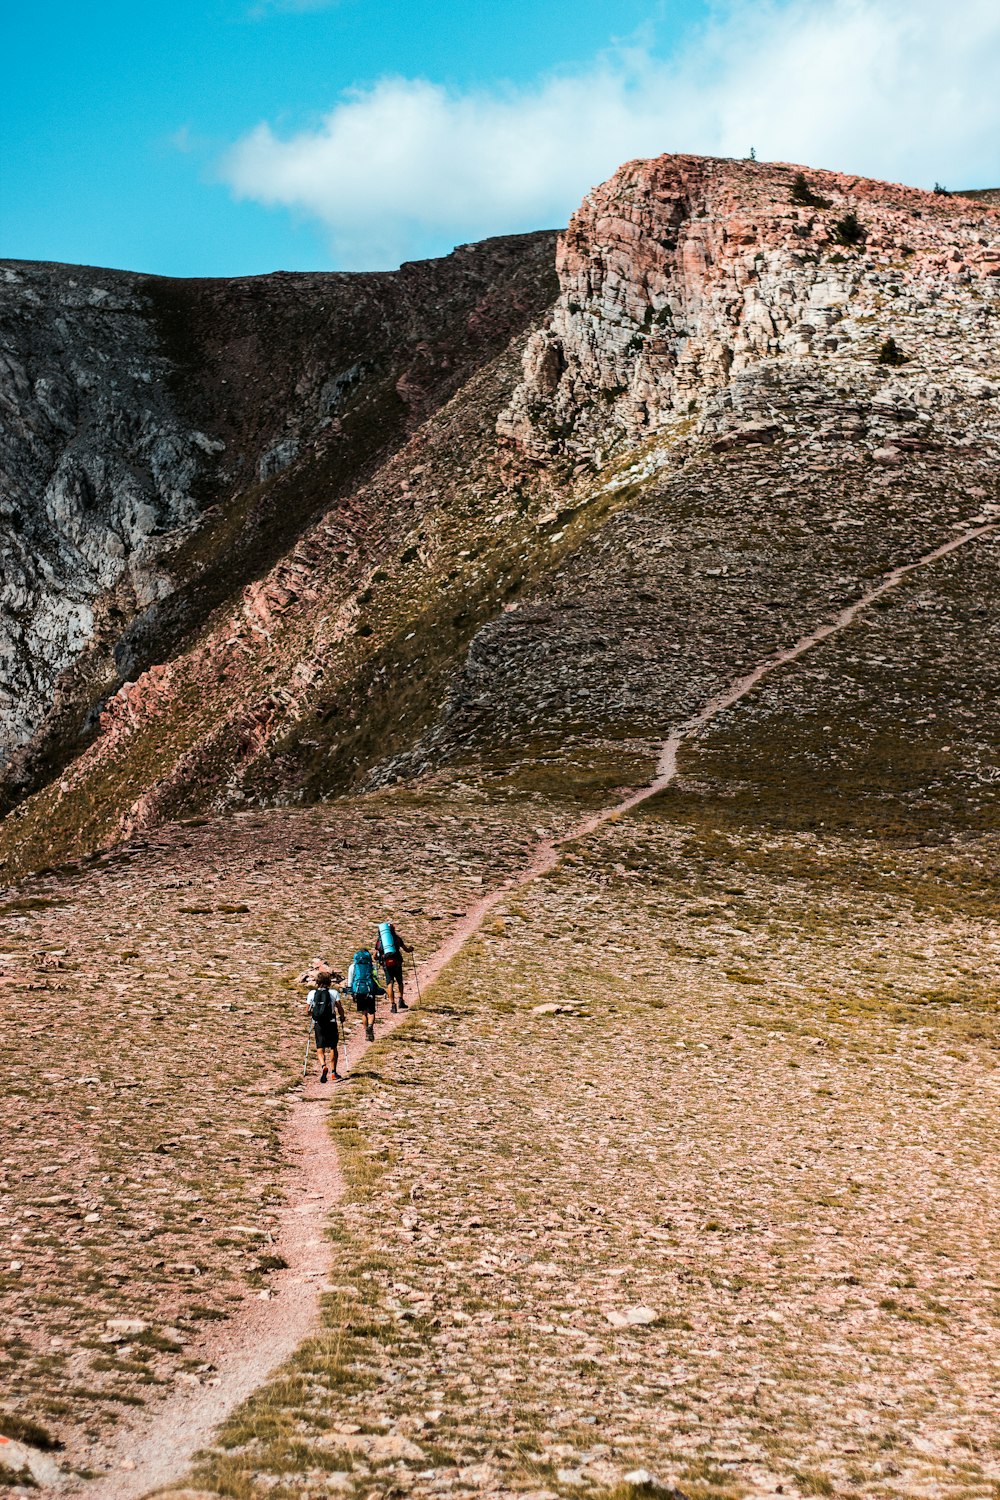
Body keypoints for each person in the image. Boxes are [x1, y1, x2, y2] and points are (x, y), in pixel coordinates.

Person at [306, 970, 347, 1083]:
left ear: (317, 982)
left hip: (318, 1023)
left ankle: (323, 1065)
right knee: (333, 1047)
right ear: (329, 982)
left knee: (320, 1047)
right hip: (331, 1022)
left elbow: (307, 1011)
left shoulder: (312, 994)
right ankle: (333, 1073)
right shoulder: (333, 993)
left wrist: (314, 1014)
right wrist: (342, 1017)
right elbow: (339, 1008)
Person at [375, 921, 414, 1013]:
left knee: (390, 983)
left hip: (386, 965)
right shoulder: (397, 939)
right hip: (397, 964)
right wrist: (411, 949)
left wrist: (378, 959)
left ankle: (393, 1005)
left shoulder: (380, 941)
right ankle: (401, 1000)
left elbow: (374, 955)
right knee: (400, 981)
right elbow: (406, 950)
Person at [347, 947, 384, 1042]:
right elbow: (376, 979)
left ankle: (366, 1032)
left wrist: (351, 992)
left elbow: (350, 981)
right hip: (369, 990)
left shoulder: (353, 966)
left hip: (358, 991)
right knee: (371, 1012)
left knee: (363, 1012)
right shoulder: (372, 966)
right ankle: (371, 1027)